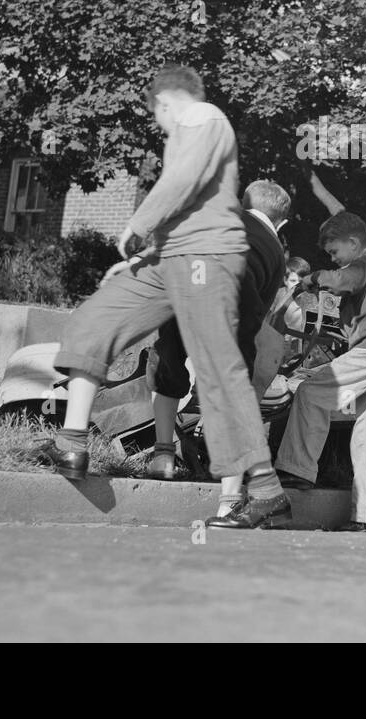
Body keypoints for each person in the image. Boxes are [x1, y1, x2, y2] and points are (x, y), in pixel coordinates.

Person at [28, 65, 293, 530]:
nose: (159, 124)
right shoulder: (195, 147)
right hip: (179, 261)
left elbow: (183, 183)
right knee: (99, 319)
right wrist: (138, 262)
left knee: (212, 373)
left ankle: (263, 491)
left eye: (158, 113)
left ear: (170, 101)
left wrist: (138, 223)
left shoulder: (204, 116)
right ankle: (73, 443)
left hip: (205, 264)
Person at [141, 179, 290, 520]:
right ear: (282, 221)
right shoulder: (273, 251)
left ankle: (163, 454)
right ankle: (229, 501)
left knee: (168, 366)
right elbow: (257, 312)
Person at [274, 211, 366, 531]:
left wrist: (314, 278)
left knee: (311, 391)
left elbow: (342, 280)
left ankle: (297, 470)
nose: (333, 258)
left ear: (353, 243)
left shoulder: (363, 264)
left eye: (334, 252)